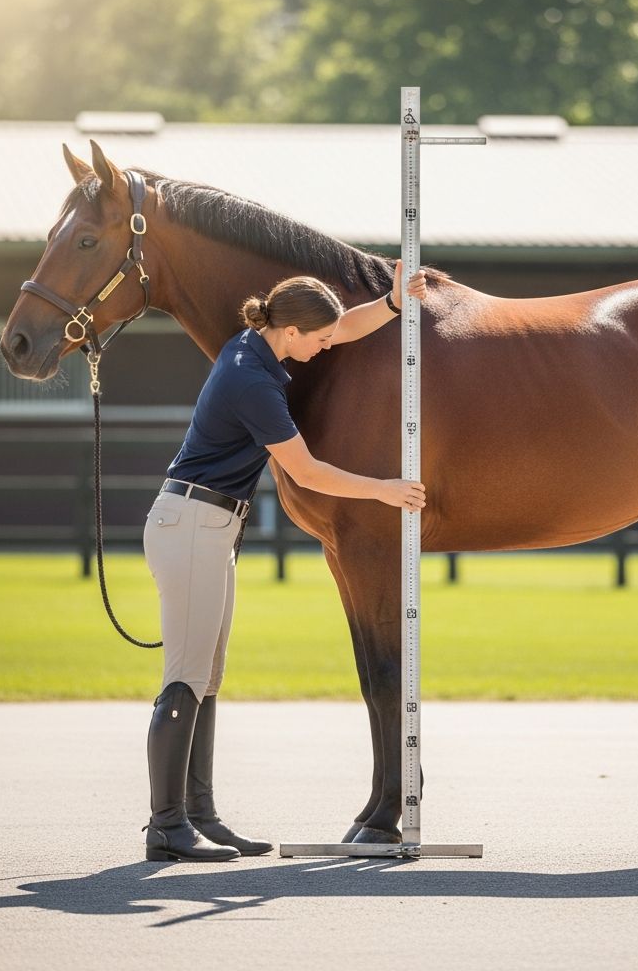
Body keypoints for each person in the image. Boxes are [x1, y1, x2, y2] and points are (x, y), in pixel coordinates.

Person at [142, 261, 427, 862]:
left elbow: (344, 327)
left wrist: (394, 305)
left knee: (206, 678)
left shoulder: (259, 345)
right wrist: (385, 489)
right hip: (193, 523)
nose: (327, 347)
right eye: (318, 339)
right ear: (292, 331)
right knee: (186, 678)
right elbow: (306, 472)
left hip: (209, 524)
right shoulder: (254, 381)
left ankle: (201, 816)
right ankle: (167, 827)